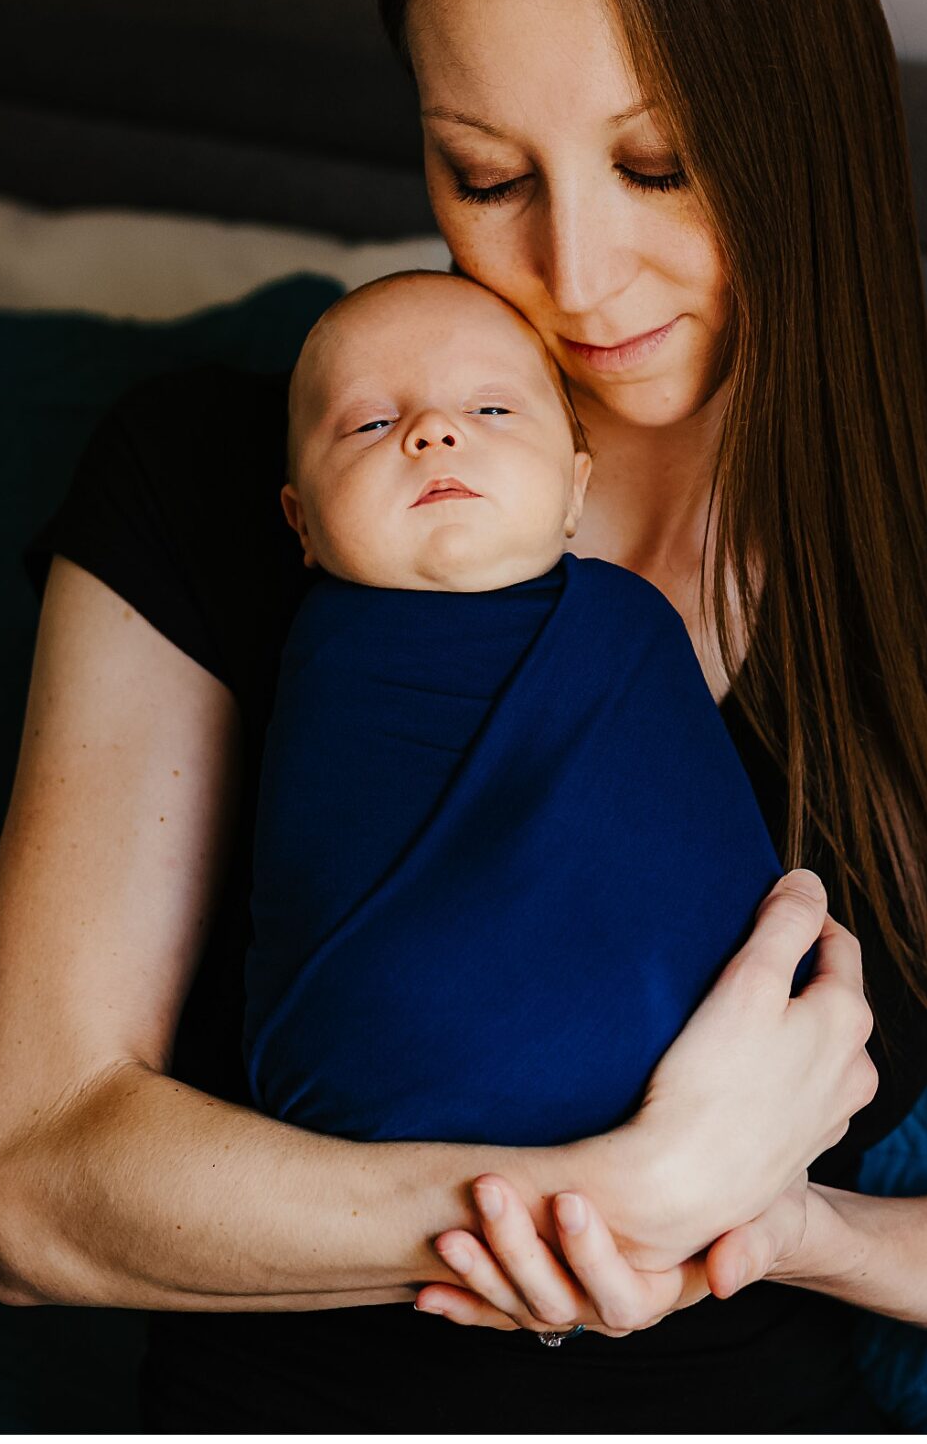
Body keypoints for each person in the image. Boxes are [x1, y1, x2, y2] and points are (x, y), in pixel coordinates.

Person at [0, 0, 927, 1433]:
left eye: (658, 162)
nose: (576, 276)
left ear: (800, 134)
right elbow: (31, 1190)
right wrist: (622, 1190)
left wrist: (780, 1221)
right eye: (489, 174)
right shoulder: (235, 486)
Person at [245, 270, 802, 1152]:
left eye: (493, 412)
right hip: (379, 1097)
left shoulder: (628, 631)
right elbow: (306, 884)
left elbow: (699, 861)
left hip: (685, 1104)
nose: (434, 432)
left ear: (576, 488)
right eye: (370, 424)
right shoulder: (315, 658)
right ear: (300, 521)